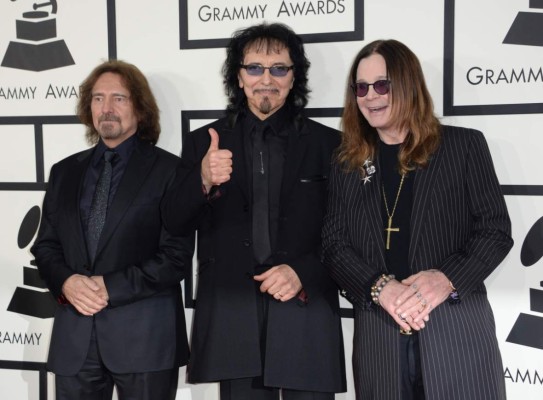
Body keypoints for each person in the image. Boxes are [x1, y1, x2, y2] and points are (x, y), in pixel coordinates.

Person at [321, 39, 513, 400]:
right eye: (361, 88)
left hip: (456, 333)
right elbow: (334, 246)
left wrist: (445, 279)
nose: (370, 96)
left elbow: (495, 230)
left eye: (382, 85)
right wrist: (380, 288)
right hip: (380, 338)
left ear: (408, 84)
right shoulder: (346, 162)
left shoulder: (463, 146)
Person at [163, 23, 346, 400]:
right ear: (238, 76)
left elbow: (347, 231)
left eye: (279, 68)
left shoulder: (331, 145)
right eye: (254, 68)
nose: (266, 79)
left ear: (294, 77)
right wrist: (202, 179)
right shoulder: (203, 143)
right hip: (234, 316)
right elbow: (174, 221)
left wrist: (303, 272)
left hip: (306, 308)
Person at [31, 60, 190, 400]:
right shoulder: (64, 172)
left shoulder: (171, 171)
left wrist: (109, 286)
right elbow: (45, 247)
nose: (107, 108)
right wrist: (67, 282)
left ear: (140, 109)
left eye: (119, 98)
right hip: (75, 339)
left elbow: (175, 257)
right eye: (98, 98)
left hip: (145, 340)